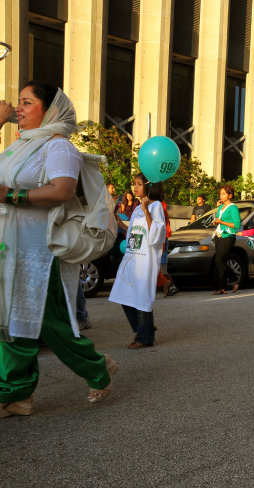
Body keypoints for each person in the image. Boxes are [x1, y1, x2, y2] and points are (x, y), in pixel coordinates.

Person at [0, 82, 117, 416]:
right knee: (12, 321)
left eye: (26, 102)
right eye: (18, 102)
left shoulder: (58, 147)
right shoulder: (17, 148)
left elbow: (62, 191)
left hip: (40, 252)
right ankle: (15, 393)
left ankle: (98, 369)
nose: (18, 109)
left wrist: (11, 195)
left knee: (52, 325)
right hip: (11, 250)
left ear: (49, 110)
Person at [109, 173, 167, 349]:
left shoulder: (155, 206)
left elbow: (156, 233)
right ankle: (145, 327)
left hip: (145, 260)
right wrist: (120, 224)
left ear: (149, 187)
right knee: (123, 293)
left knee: (141, 297)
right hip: (132, 257)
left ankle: (145, 337)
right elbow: (134, 232)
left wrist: (146, 209)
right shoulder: (135, 208)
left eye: (139, 184)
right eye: (134, 183)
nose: (135, 187)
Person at [211, 184, 241, 295]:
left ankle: (234, 279)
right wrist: (216, 221)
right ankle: (221, 288)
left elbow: (237, 224)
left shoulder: (233, 207)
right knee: (220, 262)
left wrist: (221, 222)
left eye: (224, 194)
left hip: (228, 236)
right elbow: (218, 220)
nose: (221, 196)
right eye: (220, 194)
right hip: (219, 236)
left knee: (219, 259)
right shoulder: (220, 207)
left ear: (230, 195)